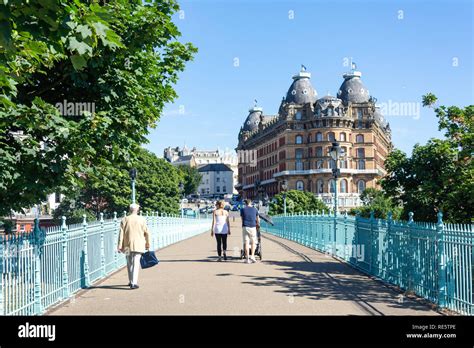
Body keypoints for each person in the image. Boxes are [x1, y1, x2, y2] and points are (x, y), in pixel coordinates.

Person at [117, 203, 151, 289]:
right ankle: (134, 283)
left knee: (129, 263)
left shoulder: (124, 219)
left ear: (130, 210)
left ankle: (130, 280)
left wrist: (119, 245)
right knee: (136, 263)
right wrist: (147, 244)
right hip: (138, 244)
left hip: (127, 245)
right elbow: (147, 233)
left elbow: (121, 234)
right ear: (137, 210)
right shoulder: (142, 219)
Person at [240, 199, 260, 264]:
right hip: (253, 226)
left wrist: (243, 225)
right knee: (253, 242)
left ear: (245, 203)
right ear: (251, 203)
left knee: (246, 242)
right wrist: (258, 225)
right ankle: (253, 256)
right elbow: (257, 219)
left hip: (245, 226)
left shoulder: (242, 209)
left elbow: (242, 219)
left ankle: (247, 258)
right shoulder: (255, 209)